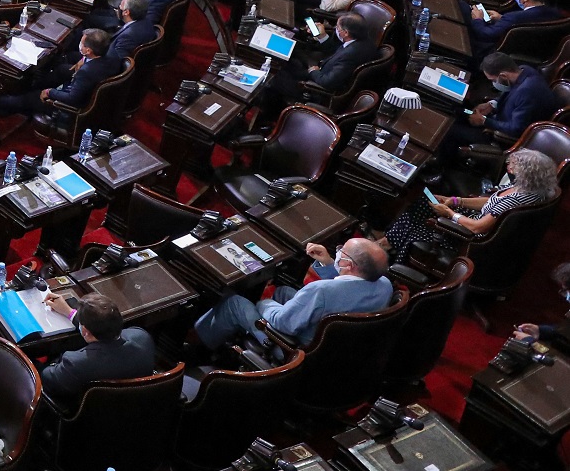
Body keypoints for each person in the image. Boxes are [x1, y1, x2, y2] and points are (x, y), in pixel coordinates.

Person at [193, 238, 392, 349]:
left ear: (348, 265)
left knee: (236, 303)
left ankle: (198, 346)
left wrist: (264, 303)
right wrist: (329, 263)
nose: (338, 251)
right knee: (283, 292)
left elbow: (283, 323)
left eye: (342, 251)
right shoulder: (384, 284)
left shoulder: (320, 291)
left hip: (292, 346)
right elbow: (351, 287)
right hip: (337, 345)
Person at [392, 148, 559, 256]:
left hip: (470, 238)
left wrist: (449, 213)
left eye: (513, 166)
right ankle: (389, 241)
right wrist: (456, 201)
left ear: (526, 173)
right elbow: (492, 201)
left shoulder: (515, 201)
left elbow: (477, 227)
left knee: (418, 227)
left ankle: (392, 246)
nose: (509, 168)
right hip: (475, 218)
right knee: (423, 202)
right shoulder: (526, 187)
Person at [38, 294, 157, 403]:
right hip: (135, 406)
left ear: (85, 332)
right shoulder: (142, 337)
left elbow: (46, 379)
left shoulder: (76, 364)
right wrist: (69, 312)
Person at [1, 29, 118, 121]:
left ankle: (1, 104)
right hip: (85, 89)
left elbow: (72, 99)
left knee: (28, 98)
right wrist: (84, 58)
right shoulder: (112, 56)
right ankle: (33, 86)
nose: (80, 45)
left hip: (67, 110)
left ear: (88, 50)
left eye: (82, 43)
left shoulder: (86, 72)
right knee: (61, 70)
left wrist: (49, 92)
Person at [269, 13, 379, 103]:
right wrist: (322, 37)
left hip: (319, 88)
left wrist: (314, 71)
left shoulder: (351, 55)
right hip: (325, 68)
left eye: (338, 27)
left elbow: (327, 82)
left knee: (275, 75)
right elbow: (338, 51)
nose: (336, 28)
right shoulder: (364, 40)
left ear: (346, 33)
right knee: (293, 57)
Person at [468, 0, 564, 55]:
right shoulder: (556, 14)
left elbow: (486, 34)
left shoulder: (514, 17)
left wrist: (478, 19)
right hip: (536, 53)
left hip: (499, 53)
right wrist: (501, 18)